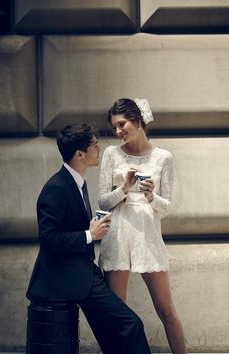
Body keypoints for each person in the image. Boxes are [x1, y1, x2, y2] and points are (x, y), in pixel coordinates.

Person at [26, 123, 151, 354]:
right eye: (94, 146)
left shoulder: (77, 183)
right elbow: (48, 238)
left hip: (82, 271)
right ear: (79, 154)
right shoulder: (56, 187)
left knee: (117, 332)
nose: (99, 150)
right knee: (130, 325)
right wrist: (89, 235)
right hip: (66, 277)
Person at [98, 98, 187, 354]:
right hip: (117, 235)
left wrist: (151, 197)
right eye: (114, 127)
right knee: (117, 315)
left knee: (166, 310)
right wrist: (124, 188)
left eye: (122, 124)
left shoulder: (163, 158)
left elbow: (166, 207)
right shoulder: (111, 154)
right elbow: (103, 200)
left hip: (147, 236)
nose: (118, 131)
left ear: (138, 120)